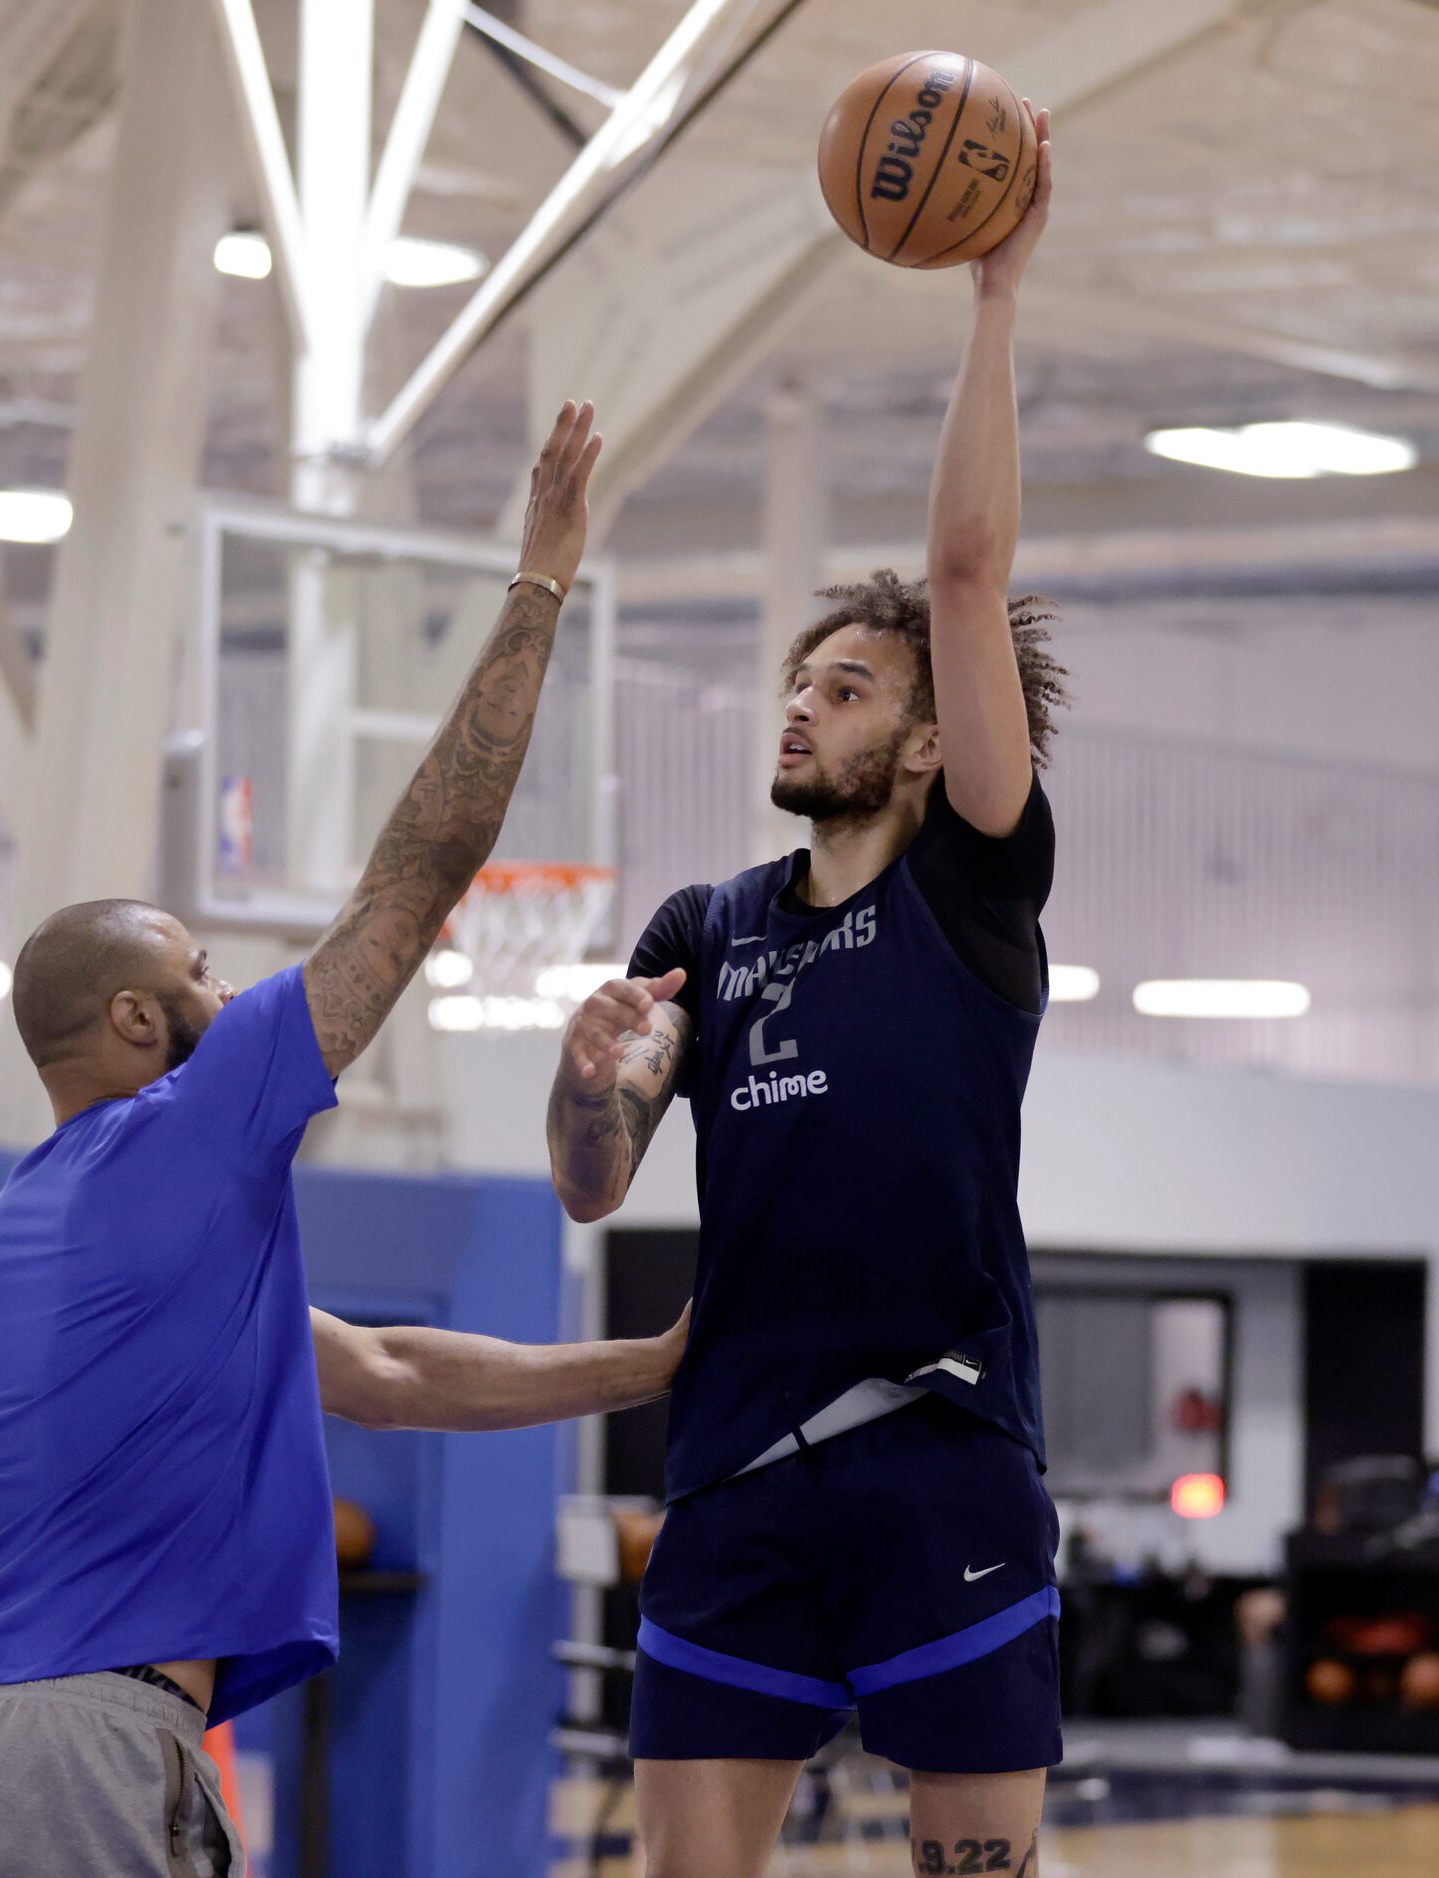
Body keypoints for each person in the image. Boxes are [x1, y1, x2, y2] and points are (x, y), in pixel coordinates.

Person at [0, 401, 686, 1878]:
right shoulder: (183, 1126)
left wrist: (659, 1364)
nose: (229, 992)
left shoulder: (33, 1237)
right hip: (75, 1757)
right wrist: (538, 581)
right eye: (196, 975)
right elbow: (417, 877)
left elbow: (381, 1370)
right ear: (130, 1022)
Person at [546, 114, 1069, 1878]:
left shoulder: (973, 885)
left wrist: (992, 300)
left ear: (926, 740)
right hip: (736, 1473)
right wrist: (586, 1076)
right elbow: (591, 1180)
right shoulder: (706, 919)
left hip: (940, 1453)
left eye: (843, 689)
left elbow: (968, 575)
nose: (799, 708)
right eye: (795, 683)